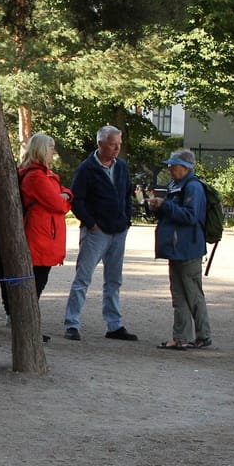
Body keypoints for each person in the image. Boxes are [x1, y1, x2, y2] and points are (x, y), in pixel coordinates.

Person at [62, 125, 138, 341]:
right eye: (113, 144)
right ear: (100, 144)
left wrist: (126, 220)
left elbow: (126, 195)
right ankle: (72, 323)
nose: (117, 148)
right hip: (96, 232)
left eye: (119, 144)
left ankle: (114, 325)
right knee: (83, 278)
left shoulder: (121, 166)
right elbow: (77, 199)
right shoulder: (86, 169)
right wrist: (91, 224)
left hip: (118, 230)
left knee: (114, 280)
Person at [147, 149, 212, 350]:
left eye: (173, 165)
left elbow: (190, 217)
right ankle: (182, 337)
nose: (169, 168)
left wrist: (164, 205)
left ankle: (201, 335)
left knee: (191, 293)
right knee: (179, 294)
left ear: (185, 167)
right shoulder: (176, 185)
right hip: (177, 248)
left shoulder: (193, 187)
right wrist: (158, 208)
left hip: (188, 248)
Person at [17, 133, 70, 341]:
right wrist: (64, 198)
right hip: (39, 238)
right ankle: (29, 331)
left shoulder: (44, 175)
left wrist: (65, 195)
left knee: (36, 286)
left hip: (44, 237)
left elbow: (63, 191)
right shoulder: (36, 177)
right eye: (50, 149)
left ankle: (30, 329)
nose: (53, 153)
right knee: (34, 287)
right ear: (41, 150)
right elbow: (58, 203)